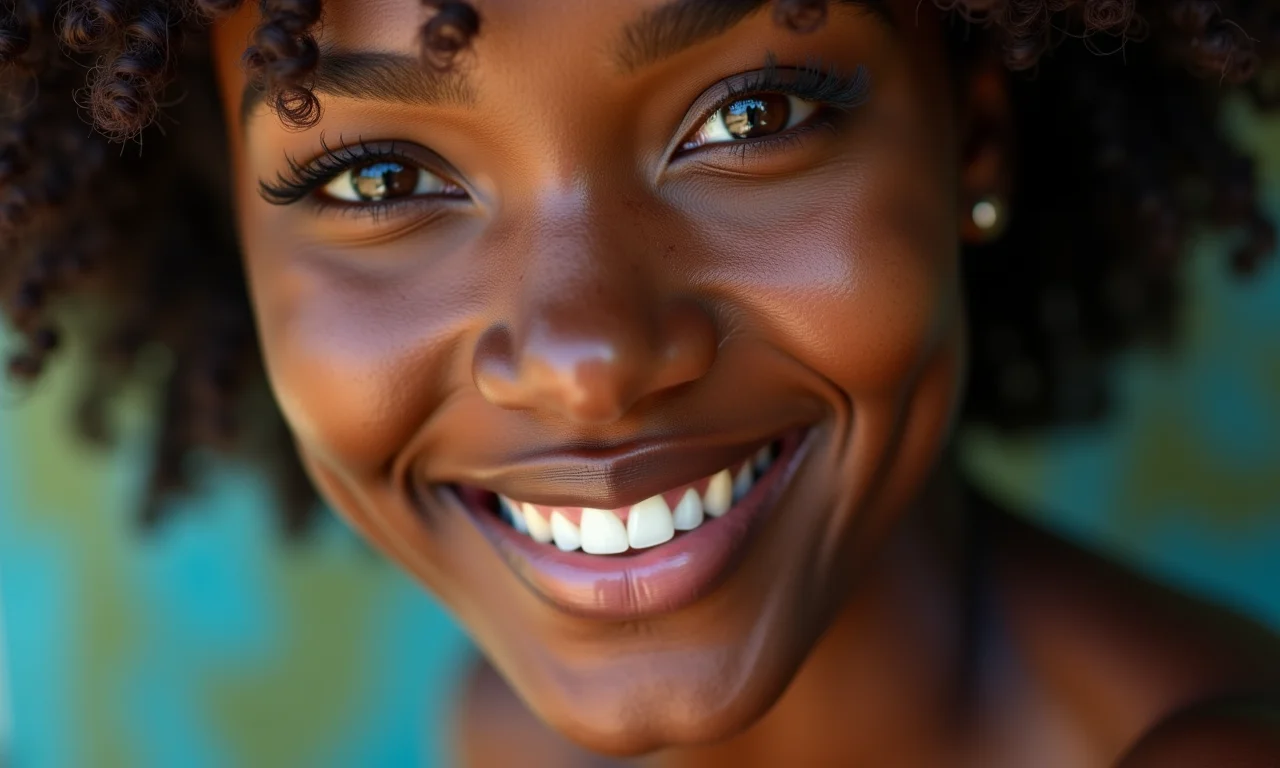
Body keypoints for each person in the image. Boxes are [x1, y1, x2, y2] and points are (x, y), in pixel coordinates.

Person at [2, 0, 1279, 764]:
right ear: (236, 232)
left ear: (970, 139)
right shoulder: (500, 734)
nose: (587, 361)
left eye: (748, 117)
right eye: (379, 181)